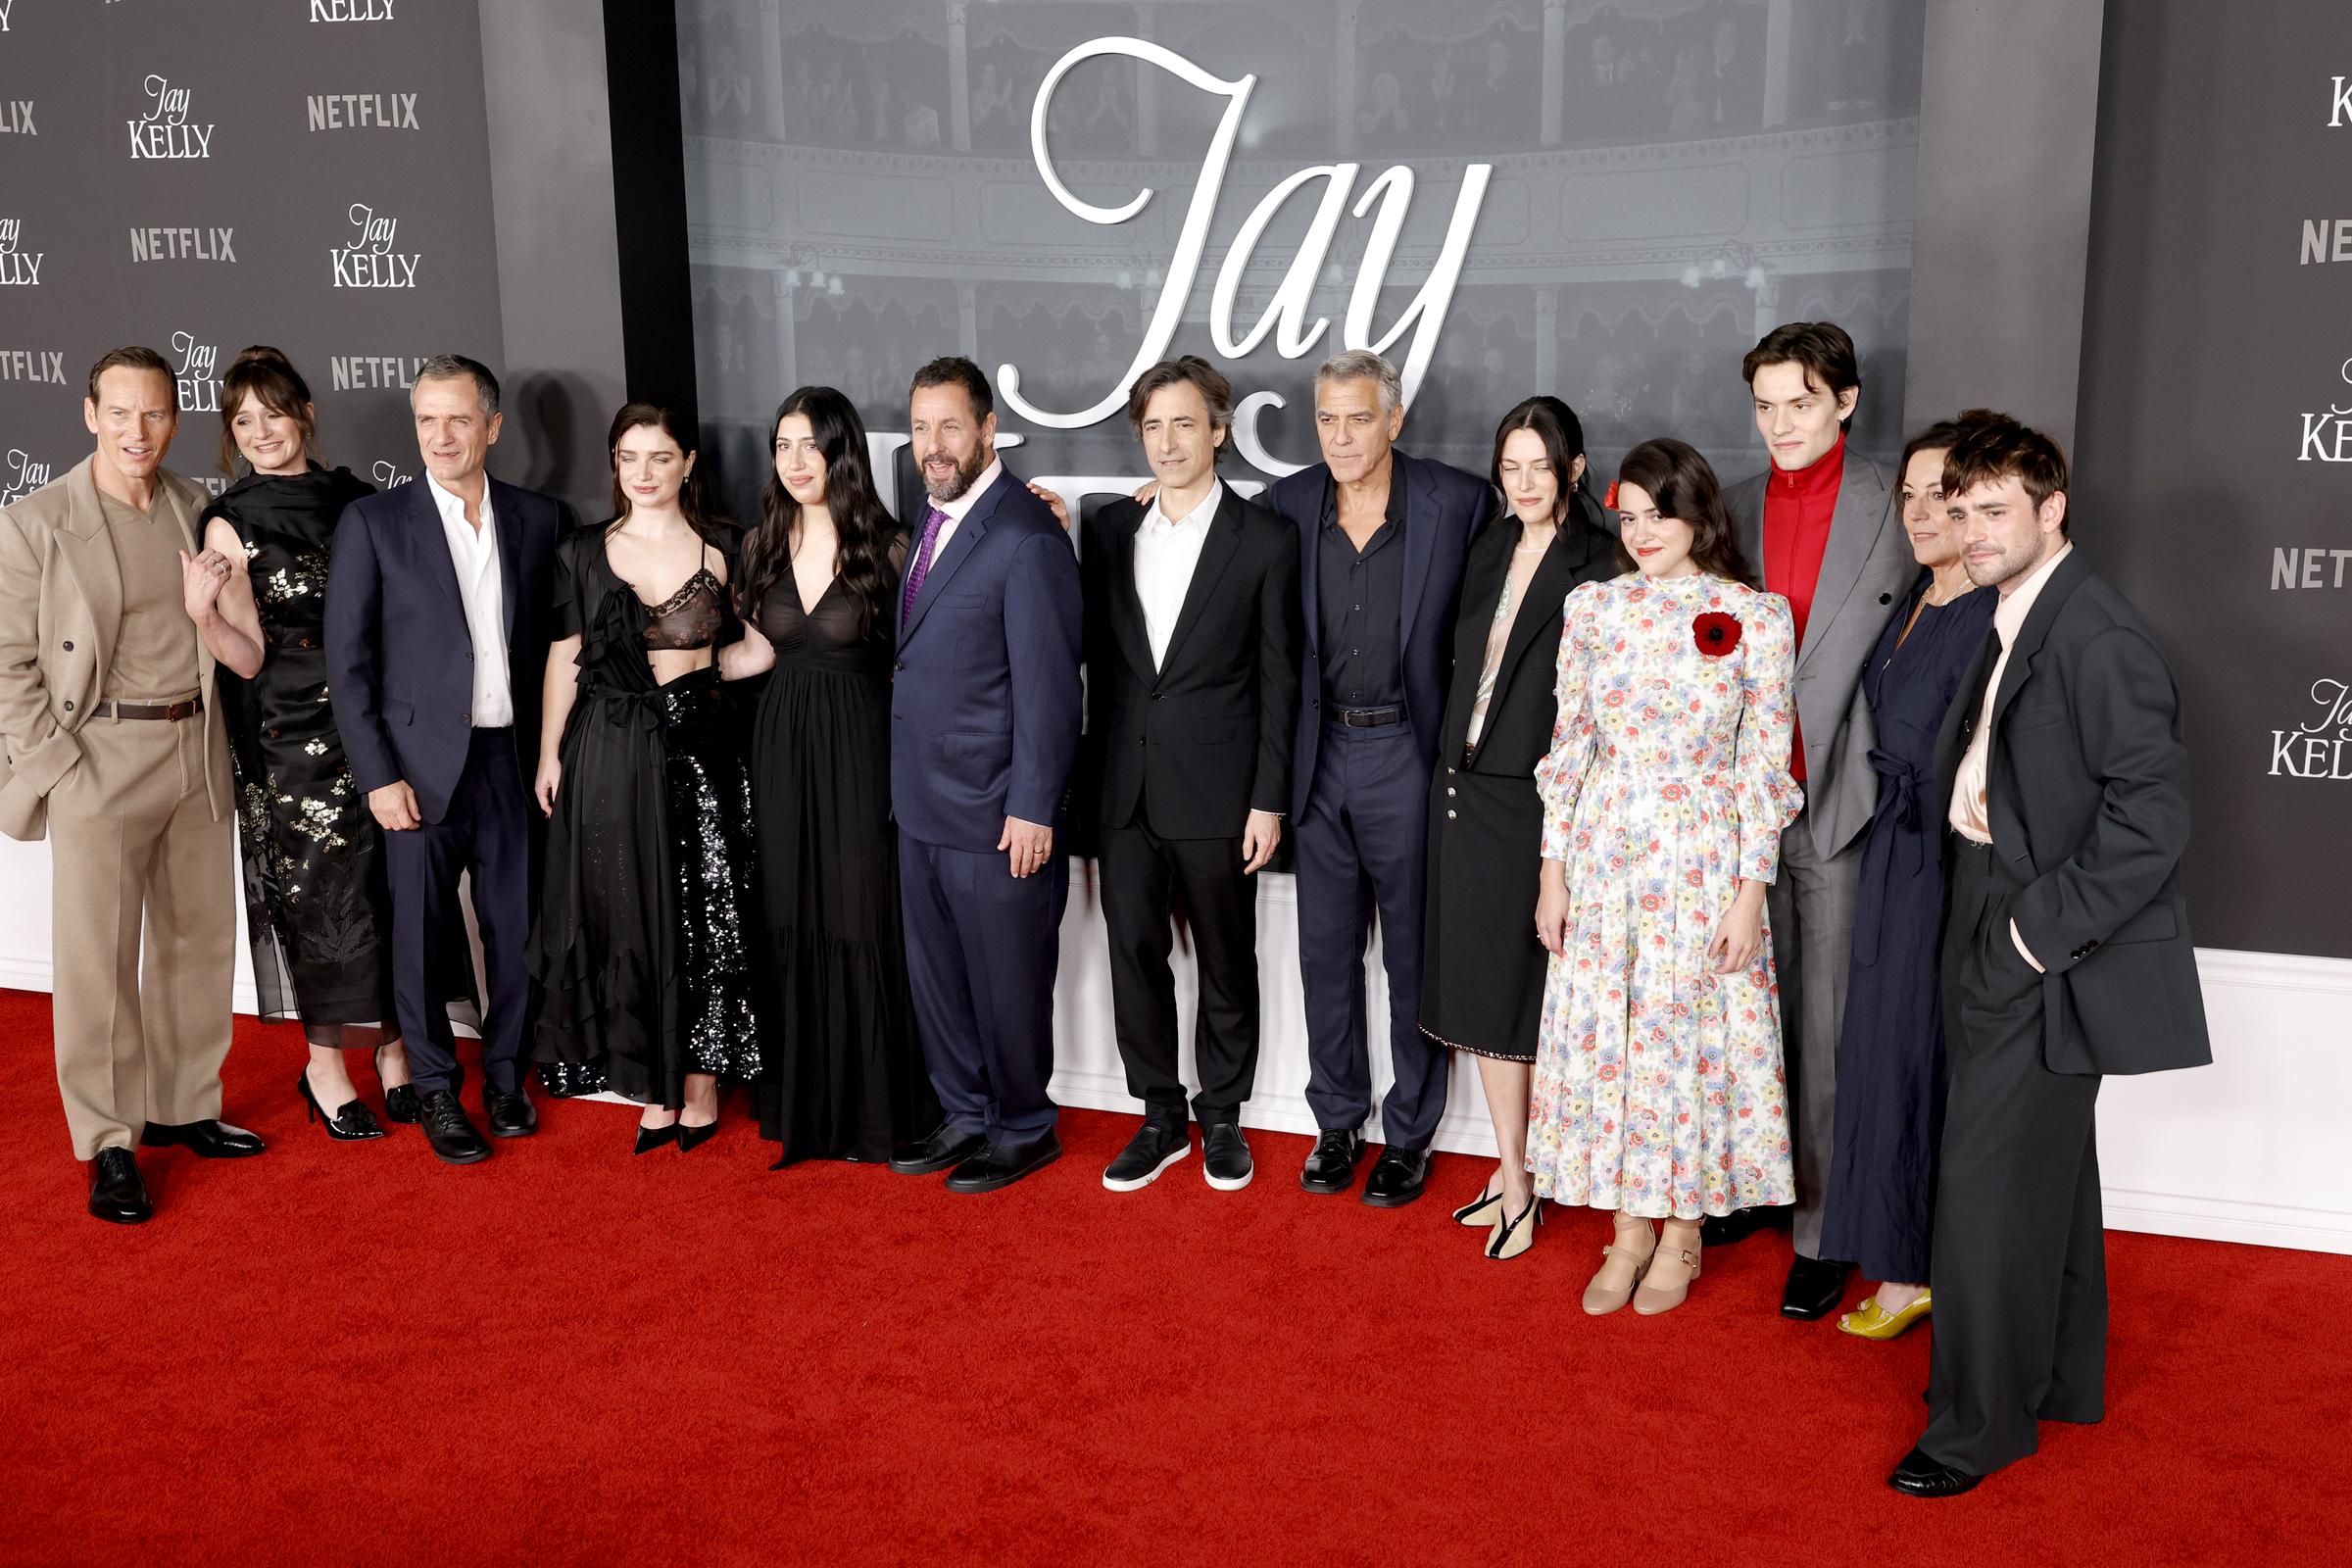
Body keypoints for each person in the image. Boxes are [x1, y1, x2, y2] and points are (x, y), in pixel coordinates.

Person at [1889, 415, 2210, 1498]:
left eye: (1995, 511)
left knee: (1983, 1185)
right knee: (2045, 1174)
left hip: (2036, 932)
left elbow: (2154, 817)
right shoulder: (2018, 608)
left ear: (2051, 509)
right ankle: (2059, 1381)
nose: (1972, 531)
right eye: (1960, 510)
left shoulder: (2095, 633)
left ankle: (1973, 1430)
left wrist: (2030, 935)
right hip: (1989, 901)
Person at [1530, 438, 1801, 1315]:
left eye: (1660, 515)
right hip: (1605, 849)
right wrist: (1553, 872)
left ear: (1698, 515)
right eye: (1630, 518)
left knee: (1688, 1039)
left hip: (1704, 857)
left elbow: (1764, 766)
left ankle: (1683, 1231)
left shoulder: (1754, 617)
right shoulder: (1594, 608)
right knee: (1614, 1039)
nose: (1643, 533)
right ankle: (1627, 1229)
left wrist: (1751, 890)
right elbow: (1570, 746)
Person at [0, 347, 257, 1223]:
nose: (136, 431)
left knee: (196, 940)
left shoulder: (197, 508)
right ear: (90, 415)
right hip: (99, 760)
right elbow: (7, 664)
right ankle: (110, 1141)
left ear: (174, 421)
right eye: (119, 412)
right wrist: (58, 768)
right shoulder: (36, 522)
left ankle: (184, 1105)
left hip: (193, 745)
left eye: (152, 413)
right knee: (97, 962)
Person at [192, 346, 446, 1141]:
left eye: (274, 413)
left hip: (377, 715)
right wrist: (203, 615)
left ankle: (396, 1054)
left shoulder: (362, 502)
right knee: (319, 896)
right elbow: (248, 658)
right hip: (291, 732)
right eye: (244, 422)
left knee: (391, 884)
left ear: (306, 412)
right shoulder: (231, 519)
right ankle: (325, 1067)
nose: (261, 432)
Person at [1715, 321, 1916, 1321]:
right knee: (1749, 1013)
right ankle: (1760, 1183)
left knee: (1830, 1026)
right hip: (1740, 807)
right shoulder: (1731, 505)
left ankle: (1824, 1229)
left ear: (1846, 401)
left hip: (1842, 796)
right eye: (1766, 405)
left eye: (1801, 402)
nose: (1781, 424)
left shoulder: (1898, 502)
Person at [324, 355, 565, 1166]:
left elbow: (558, 649)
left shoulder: (540, 518)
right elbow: (348, 665)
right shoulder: (373, 523)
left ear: (491, 427)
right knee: (421, 940)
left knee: (516, 932)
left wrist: (551, 753)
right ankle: (434, 1089)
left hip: (510, 762)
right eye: (427, 419)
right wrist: (378, 776)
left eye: (458, 418)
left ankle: (505, 1078)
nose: (440, 435)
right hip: (416, 771)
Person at [1068, 357, 1300, 1193]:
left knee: (1226, 960)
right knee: (1133, 954)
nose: (1167, 443)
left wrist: (1268, 798)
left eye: (1184, 424)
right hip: (1124, 789)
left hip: (1220, 792)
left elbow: (1279, 680)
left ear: (1218, 432)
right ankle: (1159, 1115)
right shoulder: (1109, 531)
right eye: (1153, 427)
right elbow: (1093, 656)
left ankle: (1223, 1115)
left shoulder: (1265, 539)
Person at [1264, 349, 1491, 1207]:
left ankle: (1410, 1134)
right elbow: (1216, 548)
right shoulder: (1286, 504)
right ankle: (1336, 1122)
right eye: (1326, 419)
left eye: (1359, 418)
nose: (1341, 437)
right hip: (1319, 755)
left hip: (1409, 752)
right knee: (1325, 954)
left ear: (1394, 420)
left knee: (1411, 957)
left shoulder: (1457, 502)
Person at [719, 386, 941, 1164]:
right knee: (790, 913)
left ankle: (875, 1110)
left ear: (842, 451)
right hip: (780, 748)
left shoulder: (892, 546)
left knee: (860, 914)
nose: (795, 460)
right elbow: (755, 652)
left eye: (810, 444)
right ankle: (805, 1105)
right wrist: (659, 666)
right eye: (783, 445)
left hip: (862, 749)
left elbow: (925, 662)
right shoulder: (759, 545)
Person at [531, 405, 761, 1152]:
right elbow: (564, 658)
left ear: (688, 463)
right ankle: (651, 1082)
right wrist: (550, 754)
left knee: (700, 914)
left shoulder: (727, 547)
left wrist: (701, 676)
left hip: (699, 753)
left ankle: (699, 1083)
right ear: (614, 464)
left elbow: (762, 646)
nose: (644, 473)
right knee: (624, 916)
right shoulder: (581, 552)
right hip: (606, 752)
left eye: (660, 457)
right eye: (629, 457)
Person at [884, 357, 1083, 1194]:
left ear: (988, 430)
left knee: (1007, 986)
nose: (933, 445)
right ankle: (965, 1113)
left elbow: (1050, 688)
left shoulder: (1026, 535)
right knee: (939, 983)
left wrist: (1034, 806)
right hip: (922, 807)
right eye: (920, 428)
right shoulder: (930, 519)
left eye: (950, 427)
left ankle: (1024, 1125)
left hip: (998, 815)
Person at [1425, 396, 1618, 1258]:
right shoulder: (1488, 546)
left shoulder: (1604, 563)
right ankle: (1512, 1171)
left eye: (1542, 466)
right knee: (1477, 990)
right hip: (1461, 790)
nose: (1526, 482)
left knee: (1516, 994)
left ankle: (1524, 1179)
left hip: (1538, 805)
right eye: (1511, 467)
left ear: (1574, 469)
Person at [1819, 419, 1996, 1338]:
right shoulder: (1915, 598)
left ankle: (1915, 1268)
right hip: (1889, 845)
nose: (1922, 514)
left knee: (1921, 1050)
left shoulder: (1991, 615)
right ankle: (1892, 1251)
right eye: (1912, 496)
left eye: (1945, 497)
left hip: (1946, 860)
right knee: (1881, 1047)